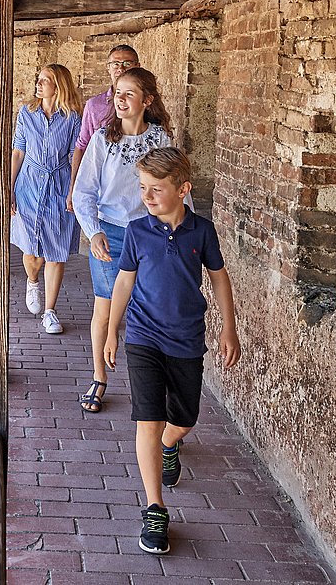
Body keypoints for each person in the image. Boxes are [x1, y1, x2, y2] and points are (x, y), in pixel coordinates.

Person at [102, 147, 240, 555]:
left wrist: (229, 329)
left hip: (186, 339)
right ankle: (155, 508)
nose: (146, 196)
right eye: (142, 187)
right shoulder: (137, 231)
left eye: (156, 189)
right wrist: (113, 330)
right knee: (148, 419)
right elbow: (124, 283)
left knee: (183, 418)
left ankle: (170, 445)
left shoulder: (202, 231)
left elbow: (219, 280)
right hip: (143, 336)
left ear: (183, 189)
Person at [72, 67, 177, 412]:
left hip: (151, 234)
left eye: (129, 93)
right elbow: (84, 190)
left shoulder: (160, 140)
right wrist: (94, 232)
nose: (120, 99)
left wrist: (178, 231)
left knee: (148, 310)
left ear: (147, 101)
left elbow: (175, 190)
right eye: (117, 92)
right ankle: (99, 377)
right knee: (106, 310)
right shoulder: (104, 139)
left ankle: (145, 385)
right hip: (112, 233)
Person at [10, 64, 84, 334]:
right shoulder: (26, 113)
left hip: (58, 183)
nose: (38, 84)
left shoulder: (73, 118)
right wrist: (9, 187)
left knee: (55, 251)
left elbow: (77, 154)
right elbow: (18, 151)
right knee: (31, 251)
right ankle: (32, 281)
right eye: (38, 79)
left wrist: (73, 189)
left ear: (59, 85)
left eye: (45, 80)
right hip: (28, 184)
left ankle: (50, 311)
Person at [68, 44, 140, 212]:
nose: (120, 68)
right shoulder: (95, 106)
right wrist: (74, 188)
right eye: (115, 63)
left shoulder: (146, 104)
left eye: (127, 63)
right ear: (108, 68)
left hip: (137, 192)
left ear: (137, 66)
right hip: (104, 193)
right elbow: (81, 146)